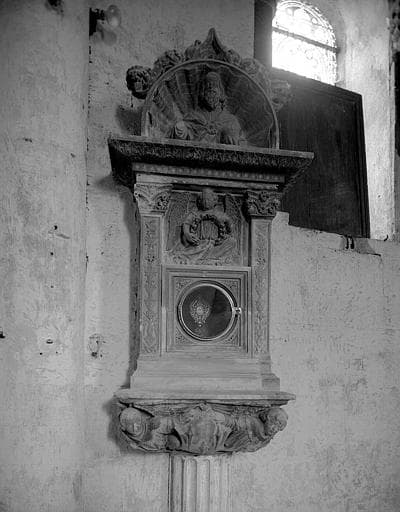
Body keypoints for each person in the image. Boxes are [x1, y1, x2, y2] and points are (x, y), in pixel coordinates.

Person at [171, 71, 243, 145]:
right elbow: (183, 131)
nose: (211, 87)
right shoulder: (193, 116)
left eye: (214, 85)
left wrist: (228, 133)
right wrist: (181, 128)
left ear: (220, 93)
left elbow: (241, 143)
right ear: (202, 91)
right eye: (207, 85)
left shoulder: (230, 120)